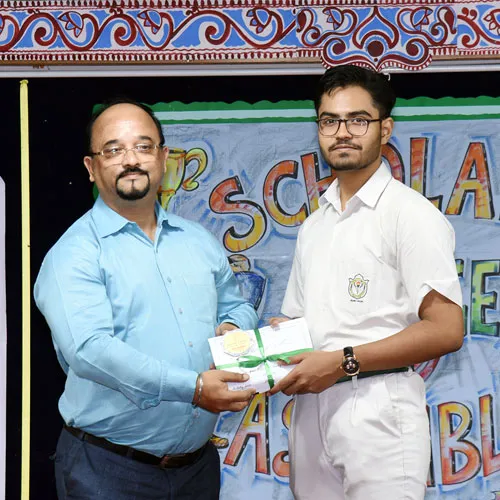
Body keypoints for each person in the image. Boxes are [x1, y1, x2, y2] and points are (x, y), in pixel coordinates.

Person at [34, 99, 258, 500]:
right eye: (113, 150)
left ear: (164, 158)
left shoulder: (198, 241)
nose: (131, 160)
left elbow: (237, 306)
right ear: (91, 167)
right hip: (108, 472)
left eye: (143, 146)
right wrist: (193, 388)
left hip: (197, 469)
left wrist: (232, 328)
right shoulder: (75, 253)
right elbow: (90, 351)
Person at [269, 65, 464, 499]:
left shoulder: (410, 215)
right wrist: (257, 351)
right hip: (310, 407)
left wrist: (343, 361)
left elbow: (447, 330)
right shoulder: (315, 225)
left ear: (385, 128)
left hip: (379, 406)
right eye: (329, 121)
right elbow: (297, 324)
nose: (342, 133)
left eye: (358, 120)